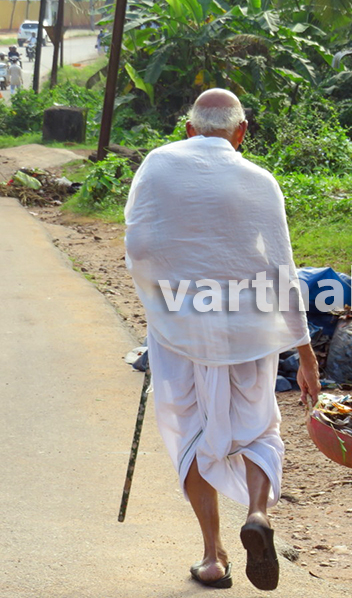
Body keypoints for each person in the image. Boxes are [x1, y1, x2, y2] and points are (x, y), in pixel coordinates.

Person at [125, 88, 321, 591]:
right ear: (242, 131)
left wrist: (162, 298)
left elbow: (139, 243)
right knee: (259, 429)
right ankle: (257, 512)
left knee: (189, 428)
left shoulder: (157, 163)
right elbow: (282, 267)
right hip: (249, 327)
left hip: (179, 326)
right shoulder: (260, 180)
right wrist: (305, 352)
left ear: (189, 129)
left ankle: (213, 557)